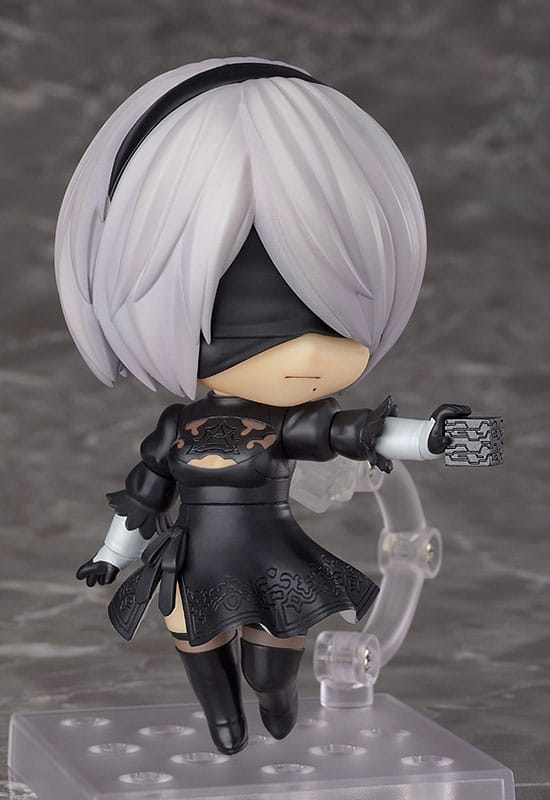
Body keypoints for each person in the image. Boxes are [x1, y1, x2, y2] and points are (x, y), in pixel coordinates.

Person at [54, 57, 468, 755]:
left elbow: (357, 434)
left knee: (270, 670)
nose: (309, 354)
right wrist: (109, 556)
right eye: (256, 330)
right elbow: (143, 499)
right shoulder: (174, 429)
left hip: (274, 560)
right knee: (197, 646)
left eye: (333, 321)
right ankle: (224, 721)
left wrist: (436, 438)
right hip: (191, 563)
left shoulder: (287, 424)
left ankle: (276, 699)